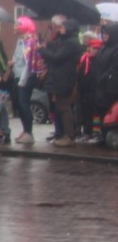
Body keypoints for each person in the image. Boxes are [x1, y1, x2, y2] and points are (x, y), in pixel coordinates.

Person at [39, 16, 84, 148]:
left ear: (70, 29)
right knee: (60, 107)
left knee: (64, 107)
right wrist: (45, 44)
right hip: (59, 77)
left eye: (63, 27)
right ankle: (64, 134)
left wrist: (41, 50)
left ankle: (69, 135)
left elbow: (56, 57)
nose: (61, 29)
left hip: (64, 78)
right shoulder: (65, 41)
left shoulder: (71, 43)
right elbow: (54, 48)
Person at [10, 16, 40, 144]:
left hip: (25, 78)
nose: (15, 27)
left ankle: (29, 132)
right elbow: (18, 57)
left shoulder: (29, 41)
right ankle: (25, 130)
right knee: (19, 105)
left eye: (17, 24)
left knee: (24, 104)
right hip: (18, 76)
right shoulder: (20, 40)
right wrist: (13, 63)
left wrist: (22, 80)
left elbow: (28, 63)